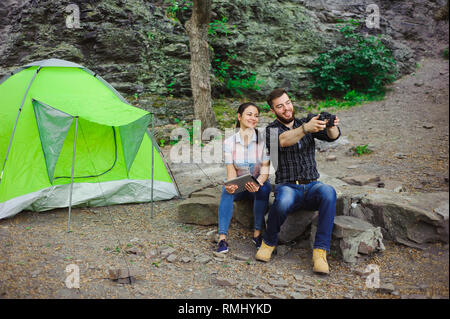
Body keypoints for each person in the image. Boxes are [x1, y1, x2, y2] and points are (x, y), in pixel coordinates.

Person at [255, 88, 341, 275]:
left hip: (312, 185)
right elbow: (284, 141)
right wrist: (305, 129)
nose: (286, 108)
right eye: (280, 106)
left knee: (329, 192)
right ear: (273, 110)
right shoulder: (271, 130)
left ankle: (320, 252)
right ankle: (268, 242)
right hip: (288, 186)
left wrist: (331, 124)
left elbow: (333, 137)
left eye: (288, 103)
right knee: (284, 199)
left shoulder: (306, 122)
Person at [217, 102, 272, 254]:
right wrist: (231, 184)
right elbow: (231, 170)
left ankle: (257, 234)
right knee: (226, 190)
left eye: (256, 115)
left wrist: (258, 183)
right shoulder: (229, 143)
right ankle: (222, 238)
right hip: (241, 184)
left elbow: (265, 171)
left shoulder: (263, 141)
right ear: (239, 117)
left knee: (264, 188)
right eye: (249, 114)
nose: (253, 118)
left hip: (257, 182)